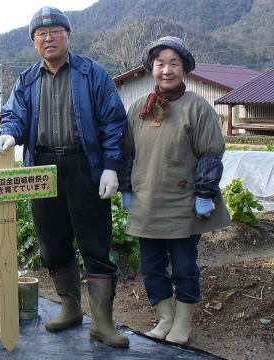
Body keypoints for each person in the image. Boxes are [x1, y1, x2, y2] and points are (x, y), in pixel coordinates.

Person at [0, 6, 129, 348]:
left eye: (54, 32)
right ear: (34, 42)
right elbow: (14, 116)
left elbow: (113, 123)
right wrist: (8, 134)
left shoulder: (92, 73)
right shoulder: (27, 79)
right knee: (53, 242)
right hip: (42, 169)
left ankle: (103, 322)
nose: (48, 39)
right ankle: (70, 308)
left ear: (68, 35)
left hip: (84, 166)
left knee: (95, 244)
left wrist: (112, 166)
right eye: (40, 35)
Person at [120, 36, 231, 345]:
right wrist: (127, 190)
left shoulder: (196, 106)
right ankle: (164, 318)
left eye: (173, 64)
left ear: (184, 69)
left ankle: (182, 322)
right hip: (147, 202)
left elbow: (210, 153)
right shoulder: (139, 108)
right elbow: (126, 153)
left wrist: (204, 193)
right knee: (151, 266)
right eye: (160, 64)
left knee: (184, 266)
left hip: (184, 203)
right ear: (151, 69)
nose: (166, 70)